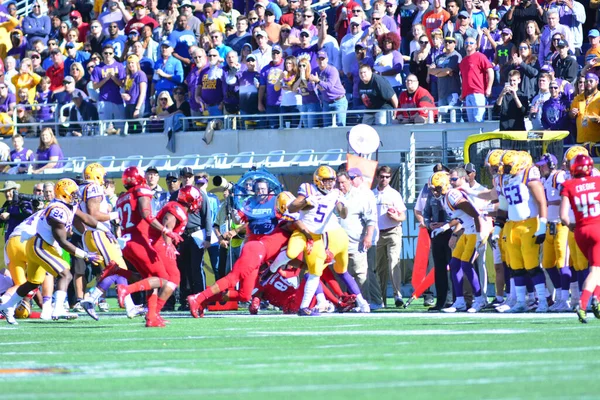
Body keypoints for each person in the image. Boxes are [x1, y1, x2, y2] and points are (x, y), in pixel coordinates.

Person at [0, 178, 105, 323]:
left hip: (34, 243)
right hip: (40, 246)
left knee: (32, 282)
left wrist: (105, 229)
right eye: (73, 193)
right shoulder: (57, 210)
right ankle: (57, 308)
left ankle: (7, 305)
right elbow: (62, 241)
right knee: (65, 274)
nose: (76, 196)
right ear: (64, 194)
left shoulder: (68, 206)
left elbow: (86, 218)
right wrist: (86, 255)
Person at [187, 175, 292, 317]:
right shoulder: (250, 204)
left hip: (264, 251)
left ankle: (205, 301)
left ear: (269, 190)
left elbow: (292, 219)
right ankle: (198, 298)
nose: (261, 192)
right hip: (255, 247)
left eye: (263, 189)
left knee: (245, 295)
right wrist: (237, 219)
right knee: (233, 277)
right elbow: (241, 220)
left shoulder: (277, 205)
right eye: (258, 189)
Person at [113, 166, 183, 327]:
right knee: (163, 278)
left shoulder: (121, 198)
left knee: (151, 279)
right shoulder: (141, 190)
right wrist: (166, 230)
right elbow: (147, 214)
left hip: (126, 242)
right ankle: (127, 290)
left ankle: (151, 317)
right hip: (139, 241)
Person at [494, 151, 548, 313]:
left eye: (507, 165)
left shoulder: (528, 178)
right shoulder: (506, 180)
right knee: (515, 267)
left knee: (532, 266)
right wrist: (497, 228)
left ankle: (542, 301)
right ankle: (520, 302)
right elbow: (503, 207)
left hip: (529, 224)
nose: (504, 168)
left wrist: (543, 225)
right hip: (512, 226)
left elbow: (541, 202)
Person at [429, 169, 488, 313]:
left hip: (475, 230)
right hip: (467, 231)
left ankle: (480, 300)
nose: (434, 192)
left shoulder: (452, 195)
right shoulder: (445, 197)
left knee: (466, 265)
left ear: (443, 185)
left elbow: (475, 213)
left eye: (436, 188)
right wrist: (445, 227)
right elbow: (460, 216)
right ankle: (460, 301)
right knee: (454, 264)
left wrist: (480, 234)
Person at [560, 154, 600, 323]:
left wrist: (571, 226)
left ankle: (597, 299)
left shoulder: (568, 185)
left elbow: (563, 217)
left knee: (596, 269)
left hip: (580, 231)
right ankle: (583, 304)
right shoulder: (598, 182)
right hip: (597, 227)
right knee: (595, 270)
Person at [171, 167, 211, 310]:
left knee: (196, 268)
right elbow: (170, 216)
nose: (187, 178)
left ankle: (201, 299)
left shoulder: (200, 194)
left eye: (190, 176)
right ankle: (185, 300)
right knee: (182, 269)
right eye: (185, 176)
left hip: (196, 233)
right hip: (180, 235)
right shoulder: (175, 195)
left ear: (193, 177)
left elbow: (207, 217)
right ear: (181, 178)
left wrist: (208, 237)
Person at [337, 169, 377, 303]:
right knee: (340, 274)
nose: (340, 185)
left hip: (355, 242)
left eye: (343, 182)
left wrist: (368, 236)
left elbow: (370, 219)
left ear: (349, 181)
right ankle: (344, 303)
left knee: (360, 274)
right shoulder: (333, 196)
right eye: (338, 183)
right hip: (337, 244)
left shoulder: (361, 197)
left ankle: (365, 302)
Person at [373, 165, 406, 307]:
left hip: (393, 231)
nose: (384, 179)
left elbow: (403, 216)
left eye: (387, 177)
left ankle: (397, 295)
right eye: (382, 176)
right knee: (380, 268)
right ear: (377, 177)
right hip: (377, 233)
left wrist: (395, 216)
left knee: (394, 262)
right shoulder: (371, 194)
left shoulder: (394, 194)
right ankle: (381, 299)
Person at [91, 44, 126, 134]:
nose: (108, 55)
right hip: (104, 99)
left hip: (117, 99)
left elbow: (123, 84)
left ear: (113, 54)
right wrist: (105, 79)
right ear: (102, 54)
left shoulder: (119, 66)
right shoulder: (97, 68)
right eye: (106, 53)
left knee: (120, 127)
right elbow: (95, 86)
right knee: (104, 128)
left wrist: (114, 78)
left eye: (110, 53)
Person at [459, 37, 494, 123]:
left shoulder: (480, 56)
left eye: (471, 43)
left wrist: (489, 88)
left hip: (478, 93)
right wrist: (462, 93)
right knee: (471, 122)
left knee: (478, 120)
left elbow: (490, 71)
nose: (468, 45)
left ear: (475, 45)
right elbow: (464, 78)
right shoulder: (463, 61)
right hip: (467, 95)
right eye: (466, 43)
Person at [312, 51, 347, 127]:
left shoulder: (332, 70)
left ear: (327, 59)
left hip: (338, 101)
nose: (321, 61)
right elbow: (310, 88)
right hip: (326, 102)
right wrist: (311, 82)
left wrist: (317, 81)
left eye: (323, 59)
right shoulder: (315, 71)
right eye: (319, 59)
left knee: (340, 127)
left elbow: (329, 86)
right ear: (316, 60)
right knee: (326, 129)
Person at [429, 36, 461, 118]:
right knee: (443, 119)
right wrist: (442, 72)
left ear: (455, 44)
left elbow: (447, 71)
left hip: (453, 92)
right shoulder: (439, 57)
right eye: (446, 41)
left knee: (455, 118)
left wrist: (437, 72)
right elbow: (430, 70)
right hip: (441, 93)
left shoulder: (456, 56)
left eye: (450, 42)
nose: (447, 43)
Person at [569, 73, 600, 143]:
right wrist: (572, 113)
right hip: (581, 140)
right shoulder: (578, 98)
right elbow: (570, 115)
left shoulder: (599, 97)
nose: (588, 83)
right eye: (586, 81)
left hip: (596, 141)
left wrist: (598, 119)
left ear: (597, 82)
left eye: (591, 81)